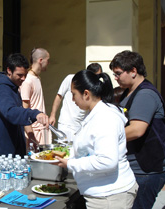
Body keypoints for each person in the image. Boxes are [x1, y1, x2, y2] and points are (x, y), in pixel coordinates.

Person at [55, 69, 138, 209]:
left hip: (110, 196)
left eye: (74, 95)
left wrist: (70, 164)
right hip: (102, 192)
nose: (73, 100)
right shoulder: (95, 113)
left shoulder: (104, 118)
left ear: (86, 94)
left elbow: (106, 161)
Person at [109, 50, 165, 209]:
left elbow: (137, 130)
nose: (116, 78)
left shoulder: (145, 94)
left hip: (145, 170)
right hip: (137, 168)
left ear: (133, 71)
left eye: (118, 74)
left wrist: (105, 137)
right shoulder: (130, 91)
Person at [0, 53, 49, 159]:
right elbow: (11, 112)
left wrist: (30, 135)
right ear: (9, 71)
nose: (23, 78)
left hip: (15, 150)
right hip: (2, 155)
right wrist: (35, 114)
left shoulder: (14, 88)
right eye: (19, 75)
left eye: (25, 75)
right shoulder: (1, 89)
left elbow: (19, 113)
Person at [49, 63, 102, 142]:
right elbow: (59, 96)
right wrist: (52, 115)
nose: (73, 99)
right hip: (66, 124)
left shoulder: (96, 88)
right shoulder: (71, 79)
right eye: (72, 94)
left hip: (81, 125)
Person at [20, 47, 51, 147]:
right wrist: (31, 136)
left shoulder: (36, 77)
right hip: (34, 133)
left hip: (42, 130)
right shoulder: (27, 81)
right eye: (48, 60)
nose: (49, 63)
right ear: (40, 60)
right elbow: (24, 110)